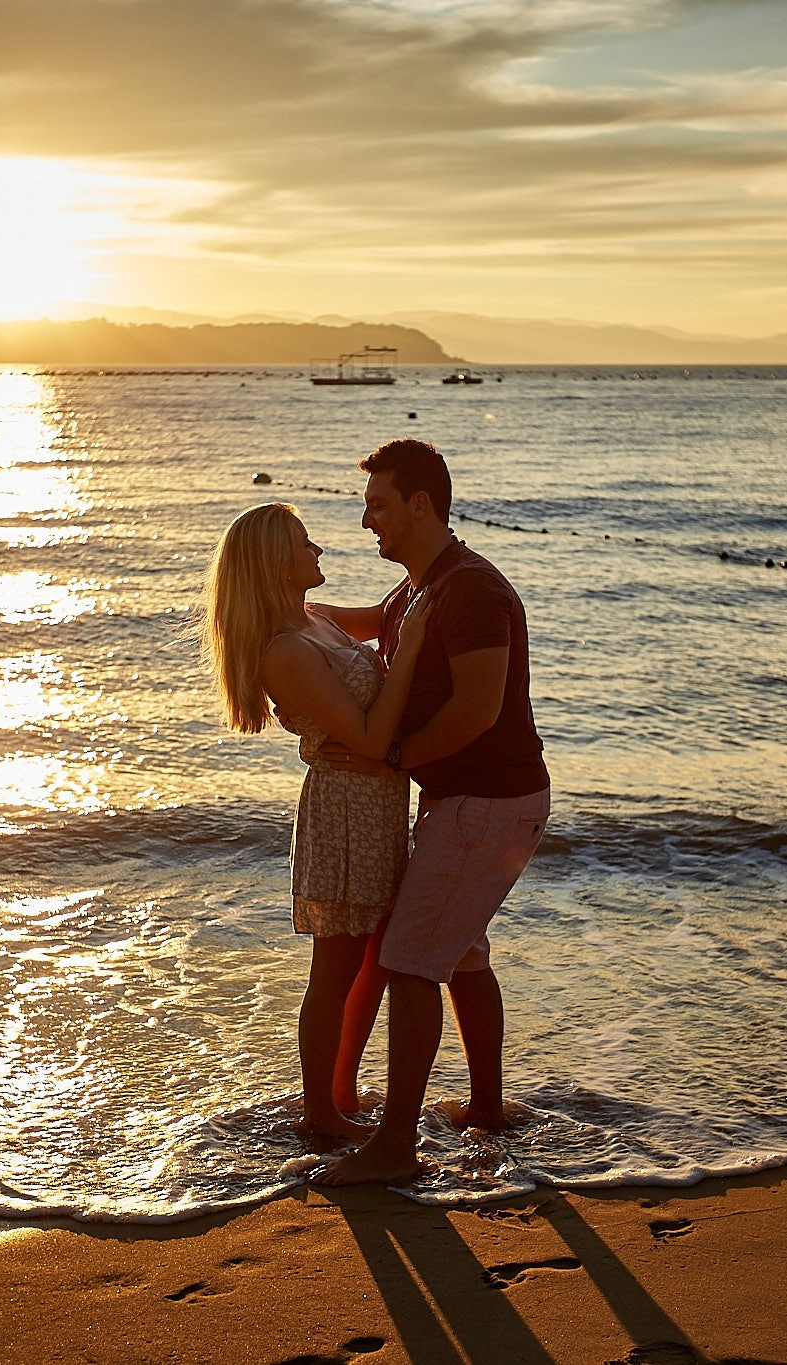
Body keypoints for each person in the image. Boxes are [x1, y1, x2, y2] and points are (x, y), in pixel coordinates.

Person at [309, 438, 550, 1186]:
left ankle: (395, 1148)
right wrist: (279, 613)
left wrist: (392, 757)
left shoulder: (471, 589)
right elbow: (356, 622)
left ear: (421, 504)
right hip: (474, 802)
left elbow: (477, 711)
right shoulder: (417, 588)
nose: (366, 521)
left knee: (409, 960)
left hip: (488, 802)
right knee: (460, 952)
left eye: (378, 504)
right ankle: (486, 1108)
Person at [200, 502, 433, 1145]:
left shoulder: (318, 620)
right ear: (279, 563)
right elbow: (367, 735)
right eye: (306, 544)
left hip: (377, 804)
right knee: (336, 968)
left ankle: (337, 1095)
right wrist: (408, 653)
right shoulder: (285, 651)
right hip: (344, 812)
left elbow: (396, 611)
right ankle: (321, 1113)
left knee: (368, 960)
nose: (320, 551)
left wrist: (430, 555)